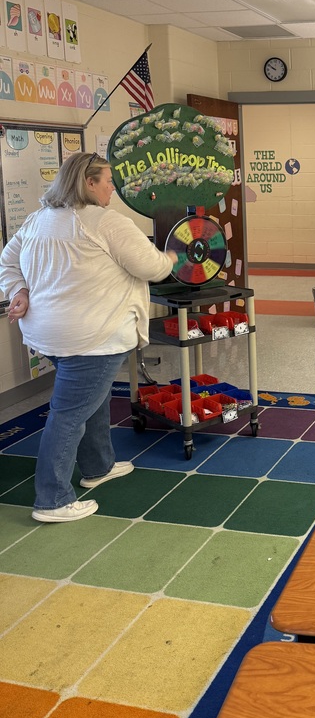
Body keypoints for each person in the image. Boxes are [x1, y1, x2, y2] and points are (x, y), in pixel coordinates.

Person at [0, 152, 178, 522]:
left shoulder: (37, 220)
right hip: (92, 337)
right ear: (88, 183)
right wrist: (172, 259)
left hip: (49, 334)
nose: (113, 186)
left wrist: (18, 290)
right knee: (68, 416)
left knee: (90, 400)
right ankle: (53, 500)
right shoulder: (106, 221)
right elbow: (151, 267)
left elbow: (7, 260)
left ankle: (98, 466)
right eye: (107, 180)